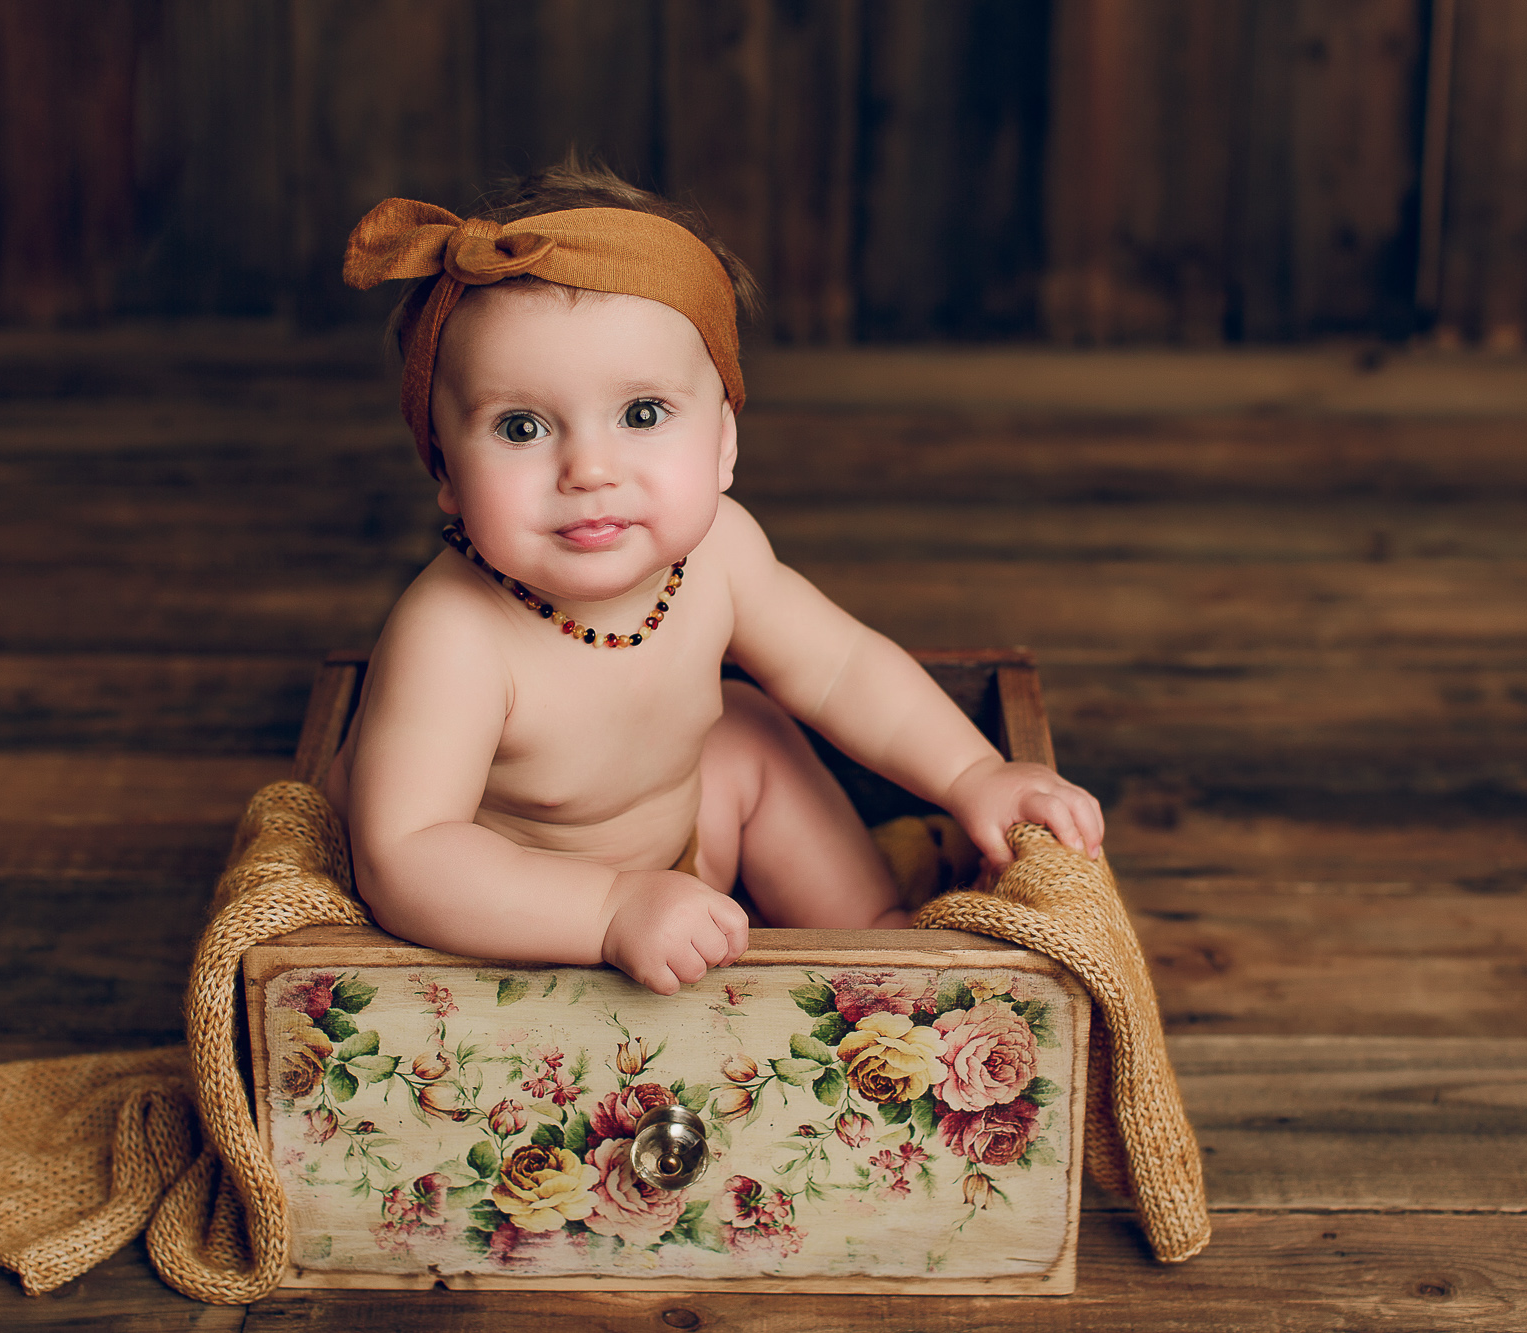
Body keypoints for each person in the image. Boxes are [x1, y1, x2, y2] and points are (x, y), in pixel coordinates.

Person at [325, 162, 1103, 995]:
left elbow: (840, 666)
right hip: (518, 920)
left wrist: (971, 773)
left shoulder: (720, 550)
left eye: (642, 414)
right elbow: (406, 855)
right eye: (521, 426)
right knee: (452, 866)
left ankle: (868, 931)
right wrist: (610, 908)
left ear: (724, 443)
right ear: (444, 468)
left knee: (751, 729)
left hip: (686, 856)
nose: (589, 467)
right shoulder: (452, 634)